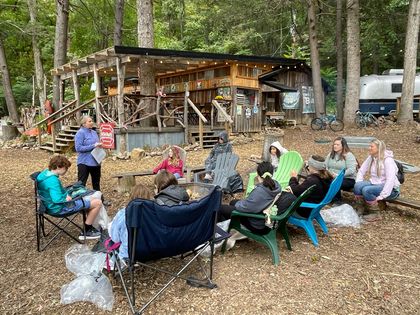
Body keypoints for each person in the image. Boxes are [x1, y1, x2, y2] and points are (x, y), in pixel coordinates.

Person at [218, 161, 296, 235]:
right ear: (272, 173)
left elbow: (245, 208)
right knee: (233, 202)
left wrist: (240, 203)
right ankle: (226, 227)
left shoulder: (260, 191)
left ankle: (220, 232)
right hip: (265, 217)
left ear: (258, 174)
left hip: (258, 225)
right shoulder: (276, 185)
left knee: (221, 208)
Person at [36, 155, 103, 240]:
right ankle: (87, 230)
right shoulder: (53, 181)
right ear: (58, 167)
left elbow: (54, 193)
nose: (66, 170)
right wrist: (66, 198)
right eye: (65, 168)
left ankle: (91, 222)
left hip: (47, 205)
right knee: (97, 203)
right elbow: (57, 200)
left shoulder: (44, 174)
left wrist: (65, 194)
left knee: (89, 200)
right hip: (58, 208)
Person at [109, 184, 154, 260]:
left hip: (128, 254)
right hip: (153, 251)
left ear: (131, 198)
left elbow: (115, 238)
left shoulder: (123, 214)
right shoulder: (155, 213)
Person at [354, 139, 400, 211]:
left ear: (379, 148)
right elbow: (361, 170)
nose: (369, 148)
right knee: (357, 186)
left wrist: (382, 196)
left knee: (366, 190)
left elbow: (390, 180)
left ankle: (374, 213)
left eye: (371, 146)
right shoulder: (372, 157)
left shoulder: (388, 160)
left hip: (391, 190)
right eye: (369, 146)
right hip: (375, 183)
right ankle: (361, 207)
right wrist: (359, 182)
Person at [74, 116, 108, 203]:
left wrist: (100, 145)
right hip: (84, 162)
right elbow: (78, 148)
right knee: (81, 184)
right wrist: (93, 146)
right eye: (89, 121)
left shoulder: (93, 132)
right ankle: (78, 202)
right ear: (84, 124)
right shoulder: (80, 133)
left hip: (96, 161)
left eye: (91, 121)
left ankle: (100, 201)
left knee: (96, 183)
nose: (91, 122)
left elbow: (96, 145)